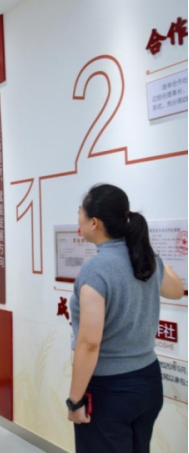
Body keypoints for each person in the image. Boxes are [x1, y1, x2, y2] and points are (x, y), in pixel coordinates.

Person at [67, 184, 184, 453]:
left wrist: (74, 401)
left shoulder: (96, 270)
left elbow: (89, 344)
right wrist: (158, 260)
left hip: (109, 390)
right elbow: (177, 290)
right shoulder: (145, 258)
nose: (78, 220)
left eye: (80, 213)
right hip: (148, 383)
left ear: (94, 223)